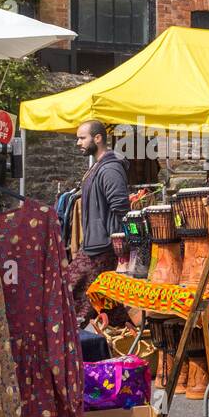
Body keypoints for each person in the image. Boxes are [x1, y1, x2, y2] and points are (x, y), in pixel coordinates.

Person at [67, 119, 131, 325]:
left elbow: (121, 206)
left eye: (82, 138)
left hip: (103, 247)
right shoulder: (98, 167)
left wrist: (110, 238)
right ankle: (120, 341)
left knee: (77, 294)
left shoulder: (110, 169)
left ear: (98, 138)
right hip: (95, 245)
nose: (78, 143)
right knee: (104, 303)